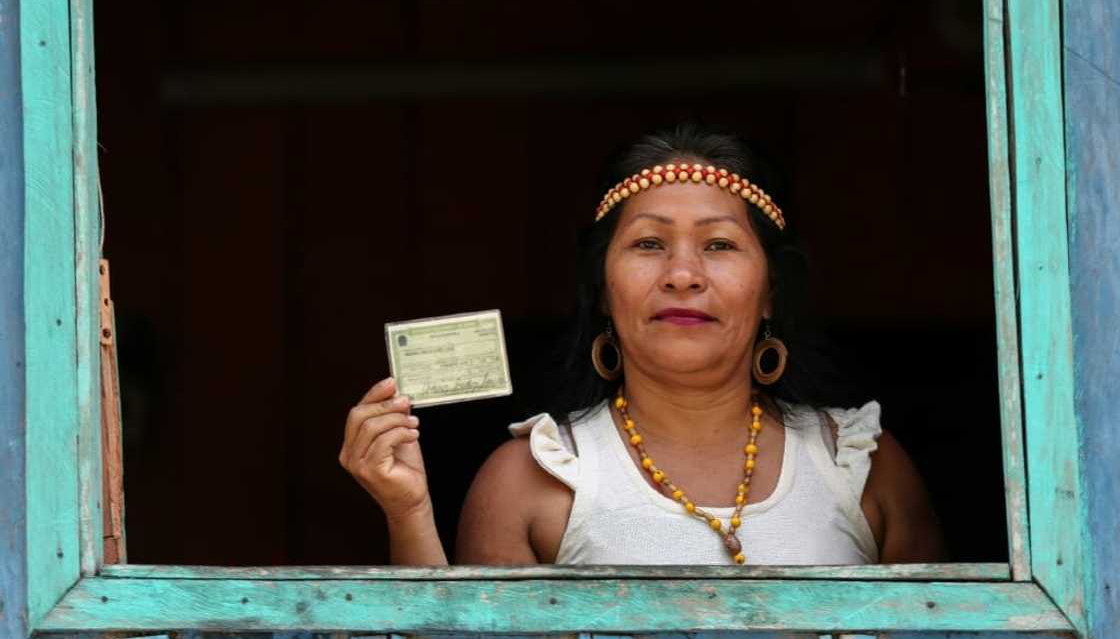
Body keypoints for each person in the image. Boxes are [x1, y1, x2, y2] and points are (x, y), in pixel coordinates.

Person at [338, 124, 945, 567]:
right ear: (603, 290)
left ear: (770, 294)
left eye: (720, 245)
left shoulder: (860, 468)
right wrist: (408, 512)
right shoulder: (533, 480)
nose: (683, 273)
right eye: (649, 244)